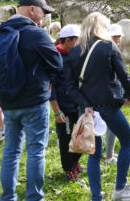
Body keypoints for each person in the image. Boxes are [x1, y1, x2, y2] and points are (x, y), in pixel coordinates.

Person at [67, 12, 130, 201]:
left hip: (86, 109)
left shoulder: (75, 51)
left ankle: (96, 196)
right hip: (107, 105)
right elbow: (123, 73)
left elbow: (70, 86)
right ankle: (120, 188)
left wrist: (84, 105)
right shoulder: (108, 46)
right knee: (127, 141)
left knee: (94, 153)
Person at [0, 0, 63, 201]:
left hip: (8, 102)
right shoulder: (36, 34)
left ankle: (8, 197)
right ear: (33, 9)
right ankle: (34, 197)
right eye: (44, 11)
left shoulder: (1, 31)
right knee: (35, 151)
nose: (45, 16)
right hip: (34, 102)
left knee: (11, 152)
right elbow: (57, 63)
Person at [50, 24, 83, 181]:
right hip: (64, 106)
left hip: (78, 104)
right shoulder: (55, 58)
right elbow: (52, 86)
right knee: (66, 137)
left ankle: (74, 161)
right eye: (77, 40)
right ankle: (68, 168)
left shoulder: (77, 55)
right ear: (68, 40)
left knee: (81, 136)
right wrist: (56, 110)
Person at [104, 23, 125, 164]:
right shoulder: (108, 50)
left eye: (119, 36)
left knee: (109, 126)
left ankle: (108, 153)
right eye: (115, 36)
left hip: (113, 93)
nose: (117, 39)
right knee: (111, 126)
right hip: (109, 95)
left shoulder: (111, 48)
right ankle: (108, 156)